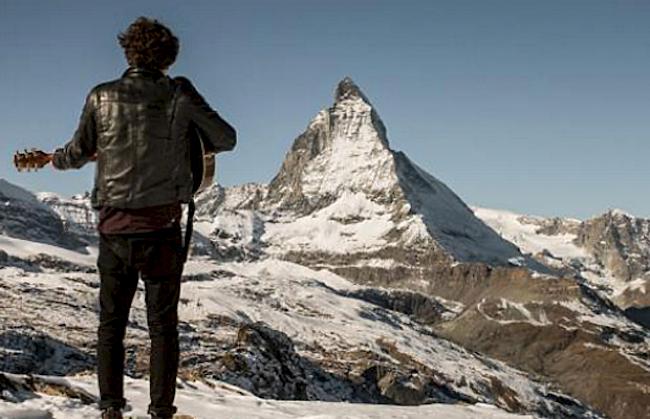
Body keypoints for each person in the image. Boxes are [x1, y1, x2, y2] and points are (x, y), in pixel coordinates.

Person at [50, 17, 236, 419]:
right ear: (169, 58)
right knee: (163, 328)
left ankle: (110, 410)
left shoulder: (100, 96)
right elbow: (226, 138)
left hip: (113, 229)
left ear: (127, 52)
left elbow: (77, 153)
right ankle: (160, 412)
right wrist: (186, 137)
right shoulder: (178, 93)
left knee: (110, 326)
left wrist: (54, 159)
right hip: (161, 230)